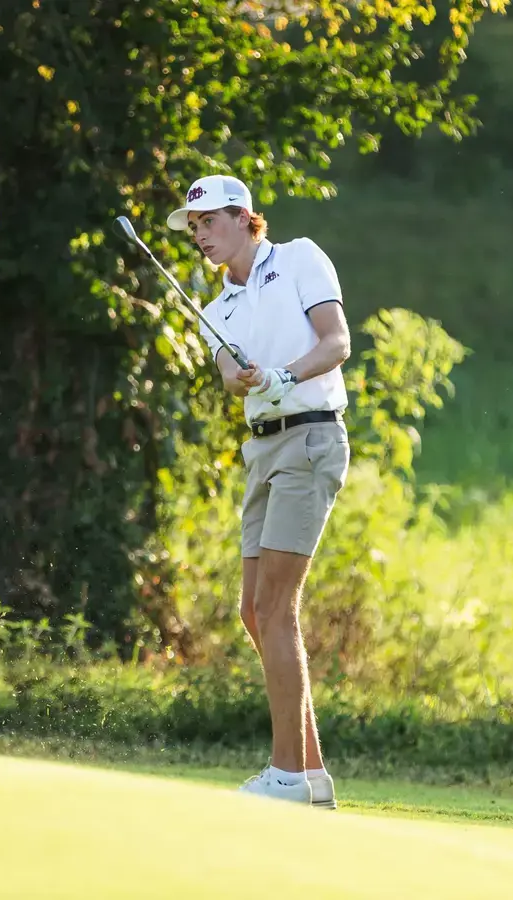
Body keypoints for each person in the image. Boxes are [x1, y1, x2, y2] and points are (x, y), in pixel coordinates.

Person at [166, 174, 352, 808]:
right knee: (254, 611)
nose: (199, 236)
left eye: (208, 222)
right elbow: (229, 376)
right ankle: (313, 774)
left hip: (310, 439)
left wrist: (282, 373)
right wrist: (247, 379)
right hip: (263, 448)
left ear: (244, 217)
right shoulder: (215, 307)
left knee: (276, 609)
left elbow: (336, 343)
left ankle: (286, 777)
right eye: (192, 228)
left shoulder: (300, 257)